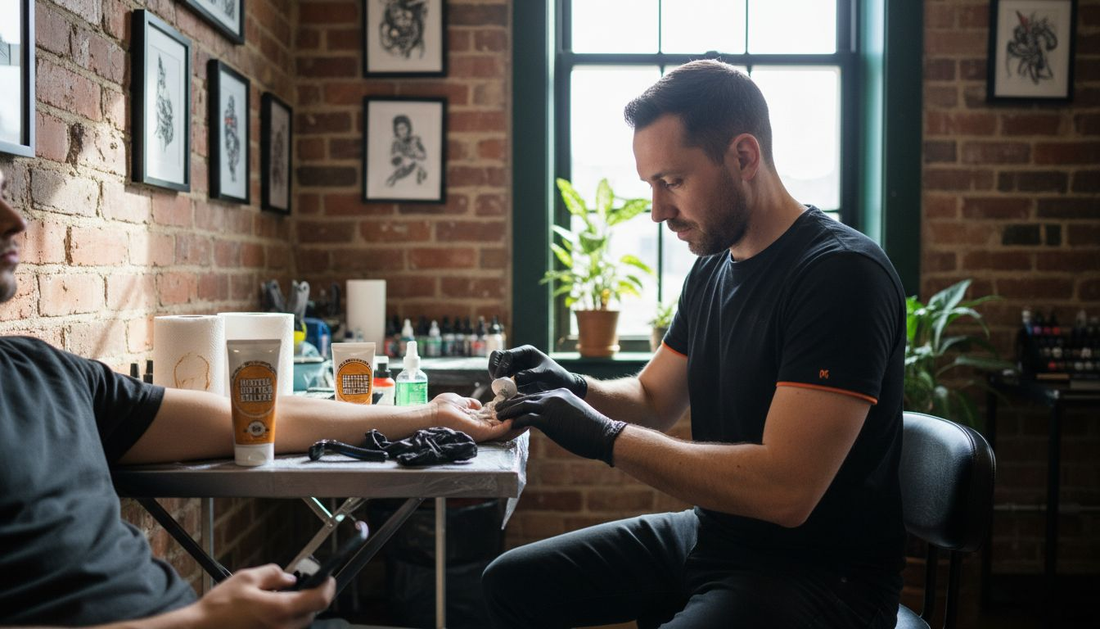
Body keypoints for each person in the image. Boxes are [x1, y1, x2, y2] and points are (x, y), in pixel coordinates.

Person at [481, 60, 906, 628]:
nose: (657, 211)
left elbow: (786, 491)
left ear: (744, 157)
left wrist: (603, 438)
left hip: (821, 575)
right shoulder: (711, 270)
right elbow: (654, 400)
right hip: (717, 534)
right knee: (509, 585)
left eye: (672, 182)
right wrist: (571, 384)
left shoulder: (840, 276)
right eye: (650, 186)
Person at [0, 165, 514, 627]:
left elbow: (254, 414)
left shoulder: (45, 371)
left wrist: (428, 412)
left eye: (5, 192)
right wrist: (205, 621)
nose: (15, 221)